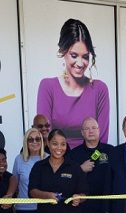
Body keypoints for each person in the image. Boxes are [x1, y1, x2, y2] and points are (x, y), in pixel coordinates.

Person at [37, 18, 110, 149]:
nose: (80, 63)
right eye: (74, 55)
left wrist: (90, 164)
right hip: (58, 162)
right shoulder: (48, 87)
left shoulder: (100, 89)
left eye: (85, 56)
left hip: (92, 163)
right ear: (63, 52)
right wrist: (70, 165)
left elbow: (103, 142)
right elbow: (45, 138)